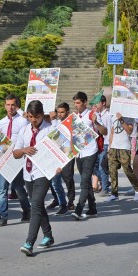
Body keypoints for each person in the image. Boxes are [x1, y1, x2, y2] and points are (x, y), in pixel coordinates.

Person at [13, 100, 54, 256]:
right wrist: (24, 150)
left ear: (42, 115)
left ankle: (29, 242)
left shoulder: (50, 129)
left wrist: (58, 166)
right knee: (38, 206)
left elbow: (60, 152)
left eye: (36, 117)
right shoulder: (24, 131)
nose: (33, 120)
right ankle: (48, 235)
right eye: (30, 117)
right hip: (28, 173)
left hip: (43, 172)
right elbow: (15, 154)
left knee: (35, 205)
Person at [0, 94, 31, 226]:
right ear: (5, 106)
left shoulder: (23, 122)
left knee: (19, 188)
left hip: (17, 158)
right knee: (2, 189)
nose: (10, 107)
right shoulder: (1, 122)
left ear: (17, 106)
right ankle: (2, 217)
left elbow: (25, 140)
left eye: (13, 105)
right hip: (4, 159)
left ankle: (27, 211)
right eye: (8, 105)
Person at [71, 92, 107, 220]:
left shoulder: (93, 114)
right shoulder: (74, 116)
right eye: (75, 103)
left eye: (78, 103)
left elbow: (105, 131)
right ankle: (92, 208)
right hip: (79, 153)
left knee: (84, 181)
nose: (76, 105)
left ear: (85, 102)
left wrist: (96, 122)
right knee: (86, 181)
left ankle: (79, 209)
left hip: (91, 151)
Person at [107, 112, 138, 201]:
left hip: (124, 147)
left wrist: (121, 120)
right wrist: (110, 146)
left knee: (127, 169)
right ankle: (114, 194)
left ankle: (137, 189)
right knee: (112, 170)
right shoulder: (113, 116)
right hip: (114, 147)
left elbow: (129, 131)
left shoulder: (130, 117)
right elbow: (112, 132)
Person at [47, 103, 75, 215]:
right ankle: (61, 202)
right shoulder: (55, 122)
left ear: (67, 112)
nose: (59, 114)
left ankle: (71, 201)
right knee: (54, 181)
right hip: (55, 154)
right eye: (58, 112)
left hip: (68, 154)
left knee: (68, 178)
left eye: (62, 112)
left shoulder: (71, 122)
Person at [93, 96, 112, 196]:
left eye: (98, 103)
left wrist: (109, 147)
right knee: (94, 166)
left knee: (101, 166)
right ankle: (105, 182)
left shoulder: (107, 116)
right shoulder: (98, 115)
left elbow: (109, 132)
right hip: (98, 144)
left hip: (105, 144)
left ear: (103, 103)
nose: (96, 105)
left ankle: (105, 188)